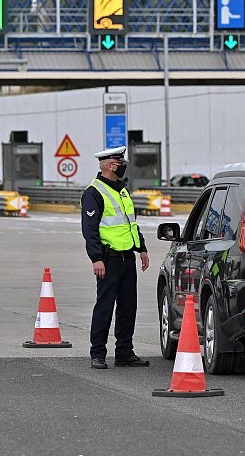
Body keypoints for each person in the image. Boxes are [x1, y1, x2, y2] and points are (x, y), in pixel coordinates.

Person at [81, 146, 149, 370]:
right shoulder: (94, 192)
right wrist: (96, 258)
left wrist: (141, 248)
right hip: (108, 259)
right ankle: (98, 354)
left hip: (127, 257)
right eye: (121, 163)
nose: (123, 166)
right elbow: (90, 230)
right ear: (111, 165)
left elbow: (130, 223)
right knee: (105, 306)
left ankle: (124, 353)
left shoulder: (121, 190)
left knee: (128, 307)